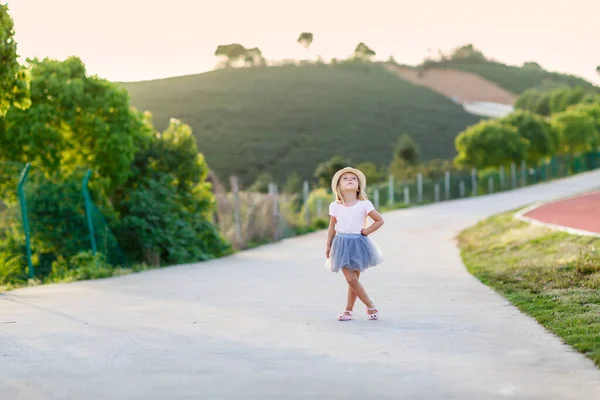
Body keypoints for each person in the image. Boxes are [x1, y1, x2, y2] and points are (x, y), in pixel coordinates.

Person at [325, 167, 384, 321]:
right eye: (345, 178)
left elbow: (379, 220)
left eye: (353, 178)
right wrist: (328, 245)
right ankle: (371, 306)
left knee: (353, 281)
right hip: (341, 245)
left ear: (358, 186)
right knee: (351, 279)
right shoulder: (335, 206)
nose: (349, 180)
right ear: (339, 186)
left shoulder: (364, 204)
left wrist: (366, 231)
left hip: (359, 244)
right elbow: (332, 226)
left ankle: (348, 310)